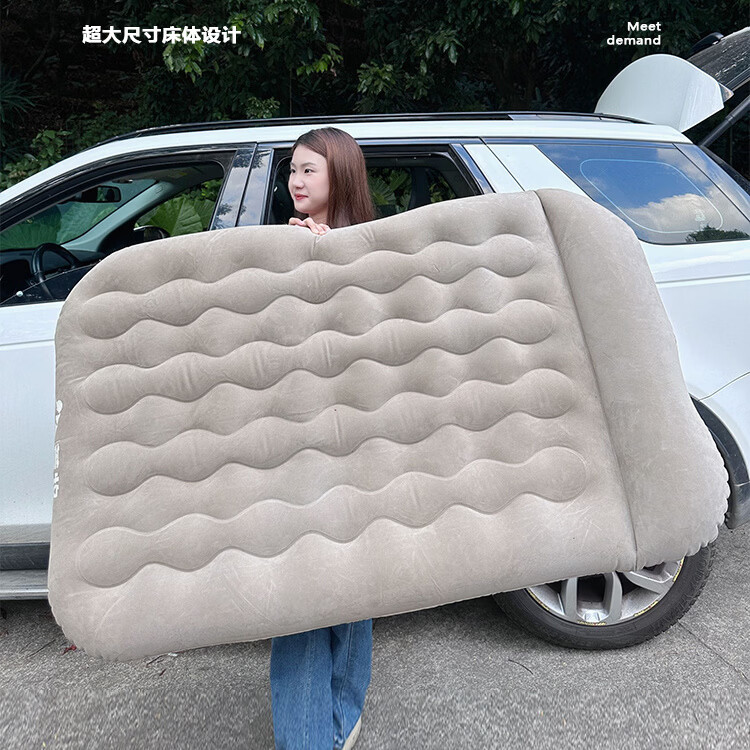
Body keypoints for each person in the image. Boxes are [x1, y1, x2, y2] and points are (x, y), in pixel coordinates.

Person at [270, 127, 376, 750]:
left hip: (358, 441)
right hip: (298, 444)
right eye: (292, 169)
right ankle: (310, 736)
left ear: (341, 173)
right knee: (303, 594)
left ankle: (339, 717)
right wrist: (295, 263)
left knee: (356, 583)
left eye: (309, 169)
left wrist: (332, 260)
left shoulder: (370, 248)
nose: (296, 180)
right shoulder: (283, 244)